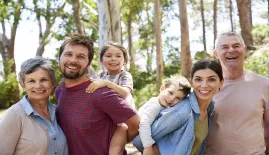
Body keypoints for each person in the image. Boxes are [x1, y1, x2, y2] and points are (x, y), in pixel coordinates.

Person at [55, 33, 140, 155]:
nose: (73, 60)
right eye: (68, 54)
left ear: (89, 63)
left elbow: (135, 123)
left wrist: (117, 145)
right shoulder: (60, 91)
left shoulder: (100, 93)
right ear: (60, 58)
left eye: (81, 57)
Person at [133, 60, 224, 155]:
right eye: (198, 79)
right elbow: (139, 141)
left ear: (221, 83)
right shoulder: (182, 111)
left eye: (211, 79)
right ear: (191, 82)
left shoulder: (209, 109)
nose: (204, 85)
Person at [205, 32, 269, 154]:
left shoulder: (264, 84)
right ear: (215, 53)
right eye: (224, 47)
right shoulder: (205, 87)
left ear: (244, 50)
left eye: (236, 46)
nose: (231, 50)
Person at [0, 57, 68, 155]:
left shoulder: (57, 111)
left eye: (43, 80)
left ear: (52, 83)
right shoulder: (14, 115)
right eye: (31, 81)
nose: (38, 86)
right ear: (23, 85)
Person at [85, 41, 135, 154]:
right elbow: (87, 87)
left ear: (125, 61)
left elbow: (125, 93)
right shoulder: (99, 75)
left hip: (121, 121)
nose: (113, 59)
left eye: (118, 56)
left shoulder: (125, 75)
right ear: (102, 60)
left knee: (115, 150)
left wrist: (107, 84)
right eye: (108, 56)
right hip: (103, 119)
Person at [137, 75, 191, 155]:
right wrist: (148, 146)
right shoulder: (154, 106)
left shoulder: (163, 105)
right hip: (139, 135)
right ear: (162, 89)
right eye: (170, 93)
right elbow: (144, 123)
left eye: (178, 98)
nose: (172, 99)